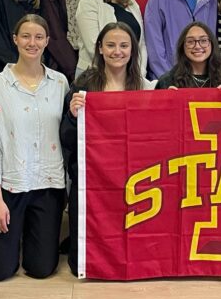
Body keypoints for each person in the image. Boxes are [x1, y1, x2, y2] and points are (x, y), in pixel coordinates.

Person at [0, 15, 69, 281]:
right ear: (15, 39)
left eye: (39, 37)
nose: (32, 43)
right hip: (10, 184)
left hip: (47, 184)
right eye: (26, 36)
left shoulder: (60, 83)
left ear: (47, 41)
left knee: (42, 269)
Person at [60, 22, 152, 275]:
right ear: (100, 48)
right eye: (110, 45)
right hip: (92, 176)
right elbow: (66, 139)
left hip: (132, 175)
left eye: (124, 45)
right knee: (80, 260)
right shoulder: (84, 86)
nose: (117, 51)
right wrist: (72, 116)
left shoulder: (144, 88)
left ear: (133, 50)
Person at [76, 0, 147, 78]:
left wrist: (139, 73)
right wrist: (120, 73)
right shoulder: (89, 1)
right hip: (96, 76)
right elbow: (93, 47)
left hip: (132, 77)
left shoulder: (131, 3)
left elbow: (141, 45)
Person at [155, 22, 221, 89]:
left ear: (212, 44)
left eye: (203, 40)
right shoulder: (167, 81)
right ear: (182, 46)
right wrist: (167, 98)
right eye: (190, 41)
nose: (197, 46)